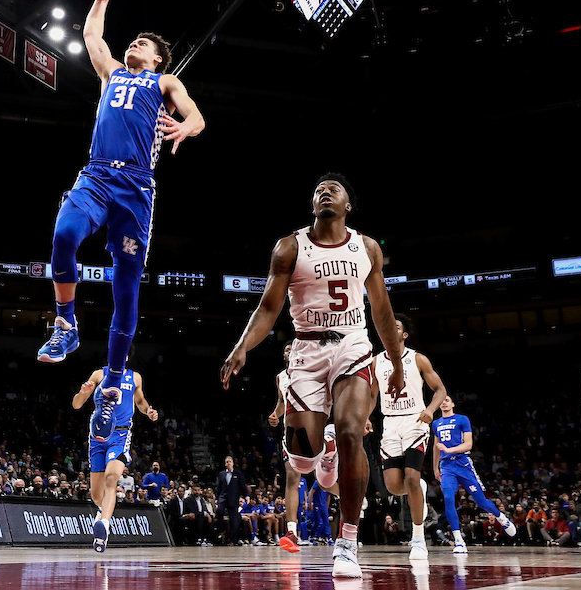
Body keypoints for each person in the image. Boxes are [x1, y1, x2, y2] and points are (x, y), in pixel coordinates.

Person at [37, 0, 205, 447]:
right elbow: (92, 35)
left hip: (136, 188)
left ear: (155, 58)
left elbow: (197, 115)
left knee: (126, 289)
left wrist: (186, 127)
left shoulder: (164, 81)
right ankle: (65, 324)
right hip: (95, 174)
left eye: (143, 43)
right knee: (64, 235)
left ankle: (112, 380)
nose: (134, 44)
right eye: (132, 40)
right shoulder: (112, 74)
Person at [221, 173, 407, 578]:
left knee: (350, 430)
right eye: (319, 189)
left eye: (334, 189)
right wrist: (241, 347)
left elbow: (382, 312)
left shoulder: (367, 247)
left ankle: (347, 542)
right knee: (303, 463)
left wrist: (394, 362)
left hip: (353, 345)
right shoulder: (290, 247)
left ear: (347, 205)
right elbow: (268, 309)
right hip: (306, 349)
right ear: (313, 205)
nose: (325, 192)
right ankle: (321, 457)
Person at [371, 314, 446, 560]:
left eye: (397, 326)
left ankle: (417, 538)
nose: (391, 329)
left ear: (404, 335)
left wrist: (430, 410)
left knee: (412, 477)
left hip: (415, 420)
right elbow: (372, 395)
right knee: (393, 485)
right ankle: (418, 489)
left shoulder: (417, 358)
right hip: (390, 423)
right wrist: (364, 417)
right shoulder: (375, 362)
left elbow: (440, 389)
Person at [71, 361, 157, 553]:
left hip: (120, 436)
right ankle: (103, 511)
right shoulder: (99, 374)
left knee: (112, 477)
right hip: (97, 437)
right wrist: (84, 392)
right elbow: (76, 404)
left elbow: (140, 401)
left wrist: (148, 410)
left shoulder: (135, 377)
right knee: (96, 495)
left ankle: (105, 525)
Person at [434, 396, 517, 554]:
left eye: (447, 400)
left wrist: (448, 449)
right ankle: (459, 540)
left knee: (480, 501)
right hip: (446, 467)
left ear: (453, 403)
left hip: (462, 463)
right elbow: (436, 446)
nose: (443, 402)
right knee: (449, 499)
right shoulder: (436, 423)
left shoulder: (462, 419)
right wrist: (435, 467)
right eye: (441, 401)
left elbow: (468, 444)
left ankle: (502, 518)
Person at [268, 341, 308, 553]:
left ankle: (351, 513)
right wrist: (275, 415)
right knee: (292, 478)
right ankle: (292, 532)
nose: (289, 350)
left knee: (326, 481)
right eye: (285, 349)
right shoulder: (280, 377)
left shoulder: (313, 368)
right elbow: (282, 403)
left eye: (293, 347)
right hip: (291, 431)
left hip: (315, 428)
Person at [214, 456, 249, 546]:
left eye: (229, 461)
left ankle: (232, 540)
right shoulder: (221, 474)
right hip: (223, 497)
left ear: (233, 463)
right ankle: (222, 531)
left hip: (233, 498)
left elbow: (243, 485)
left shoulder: (238, 473)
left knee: (234, 519)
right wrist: (217, 498)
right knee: (219, 511)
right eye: (226, 462)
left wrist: (247, 496)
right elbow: (219, 487)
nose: (228, 463)